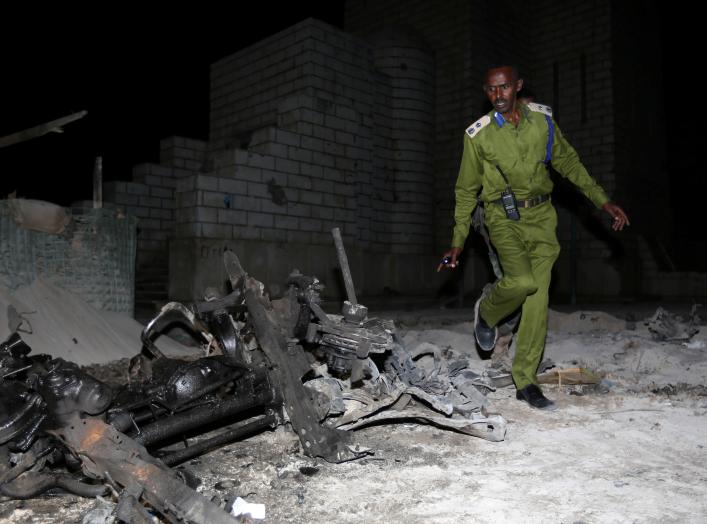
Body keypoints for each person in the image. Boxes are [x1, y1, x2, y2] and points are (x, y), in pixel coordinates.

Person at [437, 64, 629, 410]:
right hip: (502, 217)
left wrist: (603, 200)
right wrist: (458, 240)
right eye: (491, 90)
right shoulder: (478, 136)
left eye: (505, 88)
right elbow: (466, 191)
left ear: (517, 87)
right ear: (486, 92)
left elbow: (569, 164)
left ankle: (524, 380)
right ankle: (489, 314)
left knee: (537, 301)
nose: (498, 96)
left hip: (541, 217)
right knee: (521, 281)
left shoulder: (542, 122)